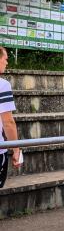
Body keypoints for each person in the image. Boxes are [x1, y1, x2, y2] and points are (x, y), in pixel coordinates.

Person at [0, 46, 22, 188]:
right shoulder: (2, 85)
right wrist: (16, 150)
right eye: (5, 59)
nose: (7, 63)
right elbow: (8, 122)